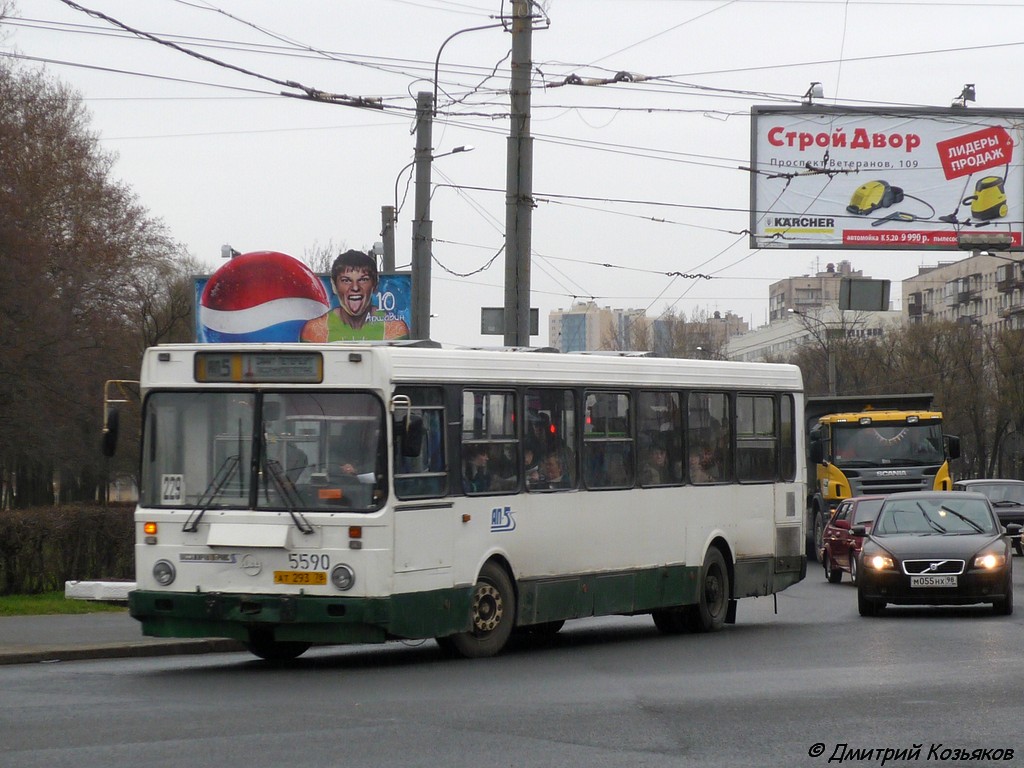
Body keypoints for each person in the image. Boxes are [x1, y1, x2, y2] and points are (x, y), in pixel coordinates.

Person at [300, 250, 410, 341]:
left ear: (375, 284)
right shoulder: (315, 330)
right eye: (346, 280)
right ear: (334, 285)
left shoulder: (394, 329)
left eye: (363, 280)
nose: (355, 288)